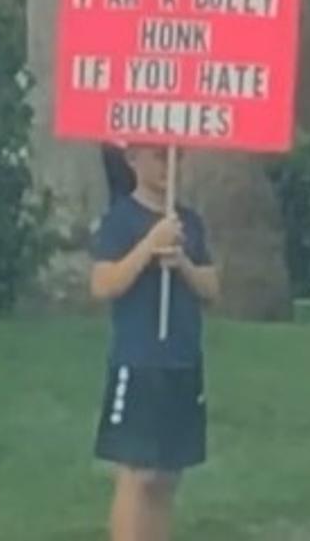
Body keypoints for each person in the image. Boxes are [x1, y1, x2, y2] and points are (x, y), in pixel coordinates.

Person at [90, 144, 219, 541]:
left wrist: (181, 262)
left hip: (182, 358)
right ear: (133, 160)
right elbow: (103, 284)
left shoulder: (190, 223)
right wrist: (149, 246)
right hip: (139, 357)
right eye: (159, 156)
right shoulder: (119, 219)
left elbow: (211, 288)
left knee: (166, 475)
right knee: (136, 473)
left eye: (176, 156)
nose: (169, 164)